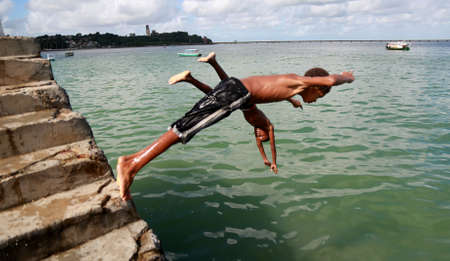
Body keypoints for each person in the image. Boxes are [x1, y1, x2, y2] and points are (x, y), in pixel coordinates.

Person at [116, 52, 354, 201]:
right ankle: (132, 166)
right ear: (317, 88)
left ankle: (132, 160)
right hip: (238, 93)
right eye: (318, 98)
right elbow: (332, 80)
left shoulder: (294, 84)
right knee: (185, 129)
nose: (313, 102)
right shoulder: (303, 82)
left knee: (186, 124)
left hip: (234, 86)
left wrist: (291, 101)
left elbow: (272, 88)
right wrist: (345, 76)